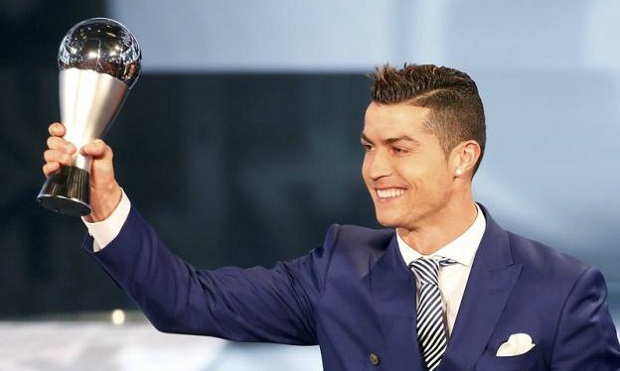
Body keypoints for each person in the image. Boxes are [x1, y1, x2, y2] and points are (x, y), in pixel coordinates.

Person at [42, 64, 620, 370]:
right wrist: (106, 202)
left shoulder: (563, 290)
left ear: (462, 157)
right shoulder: (339, 269)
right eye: (368, 146)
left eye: (399, 148)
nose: (374, 168)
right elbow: (186, 301)